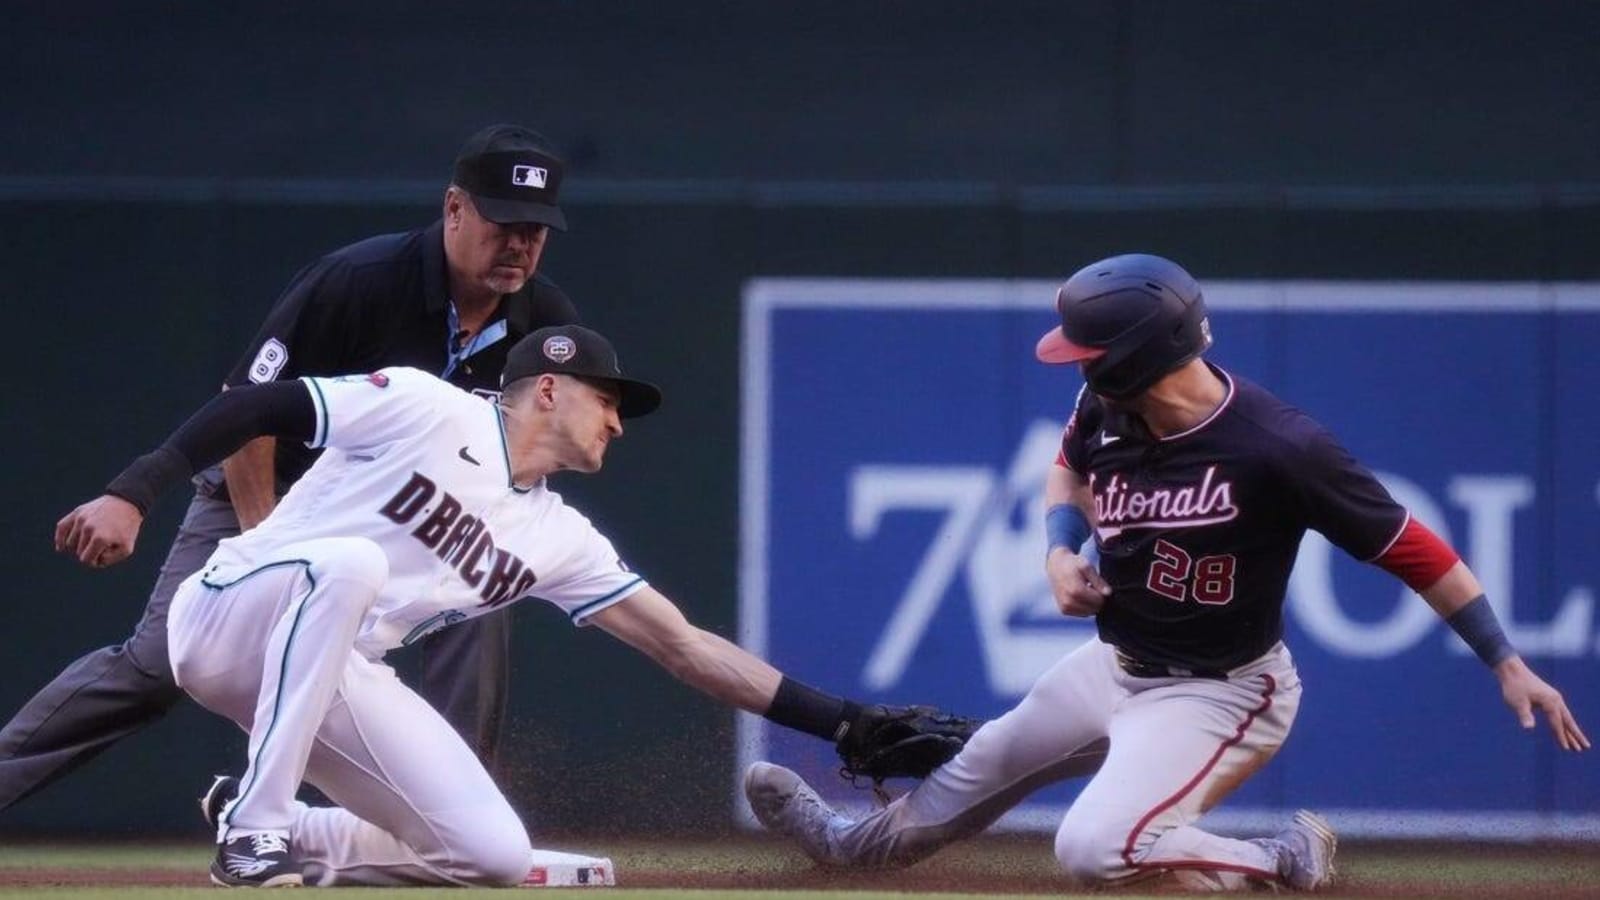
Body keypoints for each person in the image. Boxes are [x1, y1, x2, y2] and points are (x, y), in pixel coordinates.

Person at [742, 253, 1590, 893]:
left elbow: (1416, 551)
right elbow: (1065, 473)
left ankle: (1283, 858)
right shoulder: (1103, 407)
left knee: (1093, 848)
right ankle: (847, 847)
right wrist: (1058, 550)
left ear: (1139, 351)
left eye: (1088, 349)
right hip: (1113, 665)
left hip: (1222, 691)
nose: (1076, 364)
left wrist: (1505, 661)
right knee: (977, 767)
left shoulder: (1279, 447)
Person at [55, 324, 914, 887]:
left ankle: (291, 828)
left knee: (492, 856)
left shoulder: (560, 535)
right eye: (607, 400)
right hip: (225, 615)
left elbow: (683, 644)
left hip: (329, 674)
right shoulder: (428, 407)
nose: (618, 423)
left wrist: (838, 720)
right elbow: (257, 403)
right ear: (548, 387)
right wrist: (134, 490)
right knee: (350, 565)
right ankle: (256, 828)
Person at [0, 124, 578, 811]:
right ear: (454, 209)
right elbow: (246, 414)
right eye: (504, 221)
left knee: (477, 611)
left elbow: (541, 446)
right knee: (158, 666)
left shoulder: (544, 323)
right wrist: (263, 546)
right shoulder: (360, 281)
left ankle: (452, 818)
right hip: (268, 487)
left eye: (535, 230)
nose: (519, 243)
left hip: (403, 513)